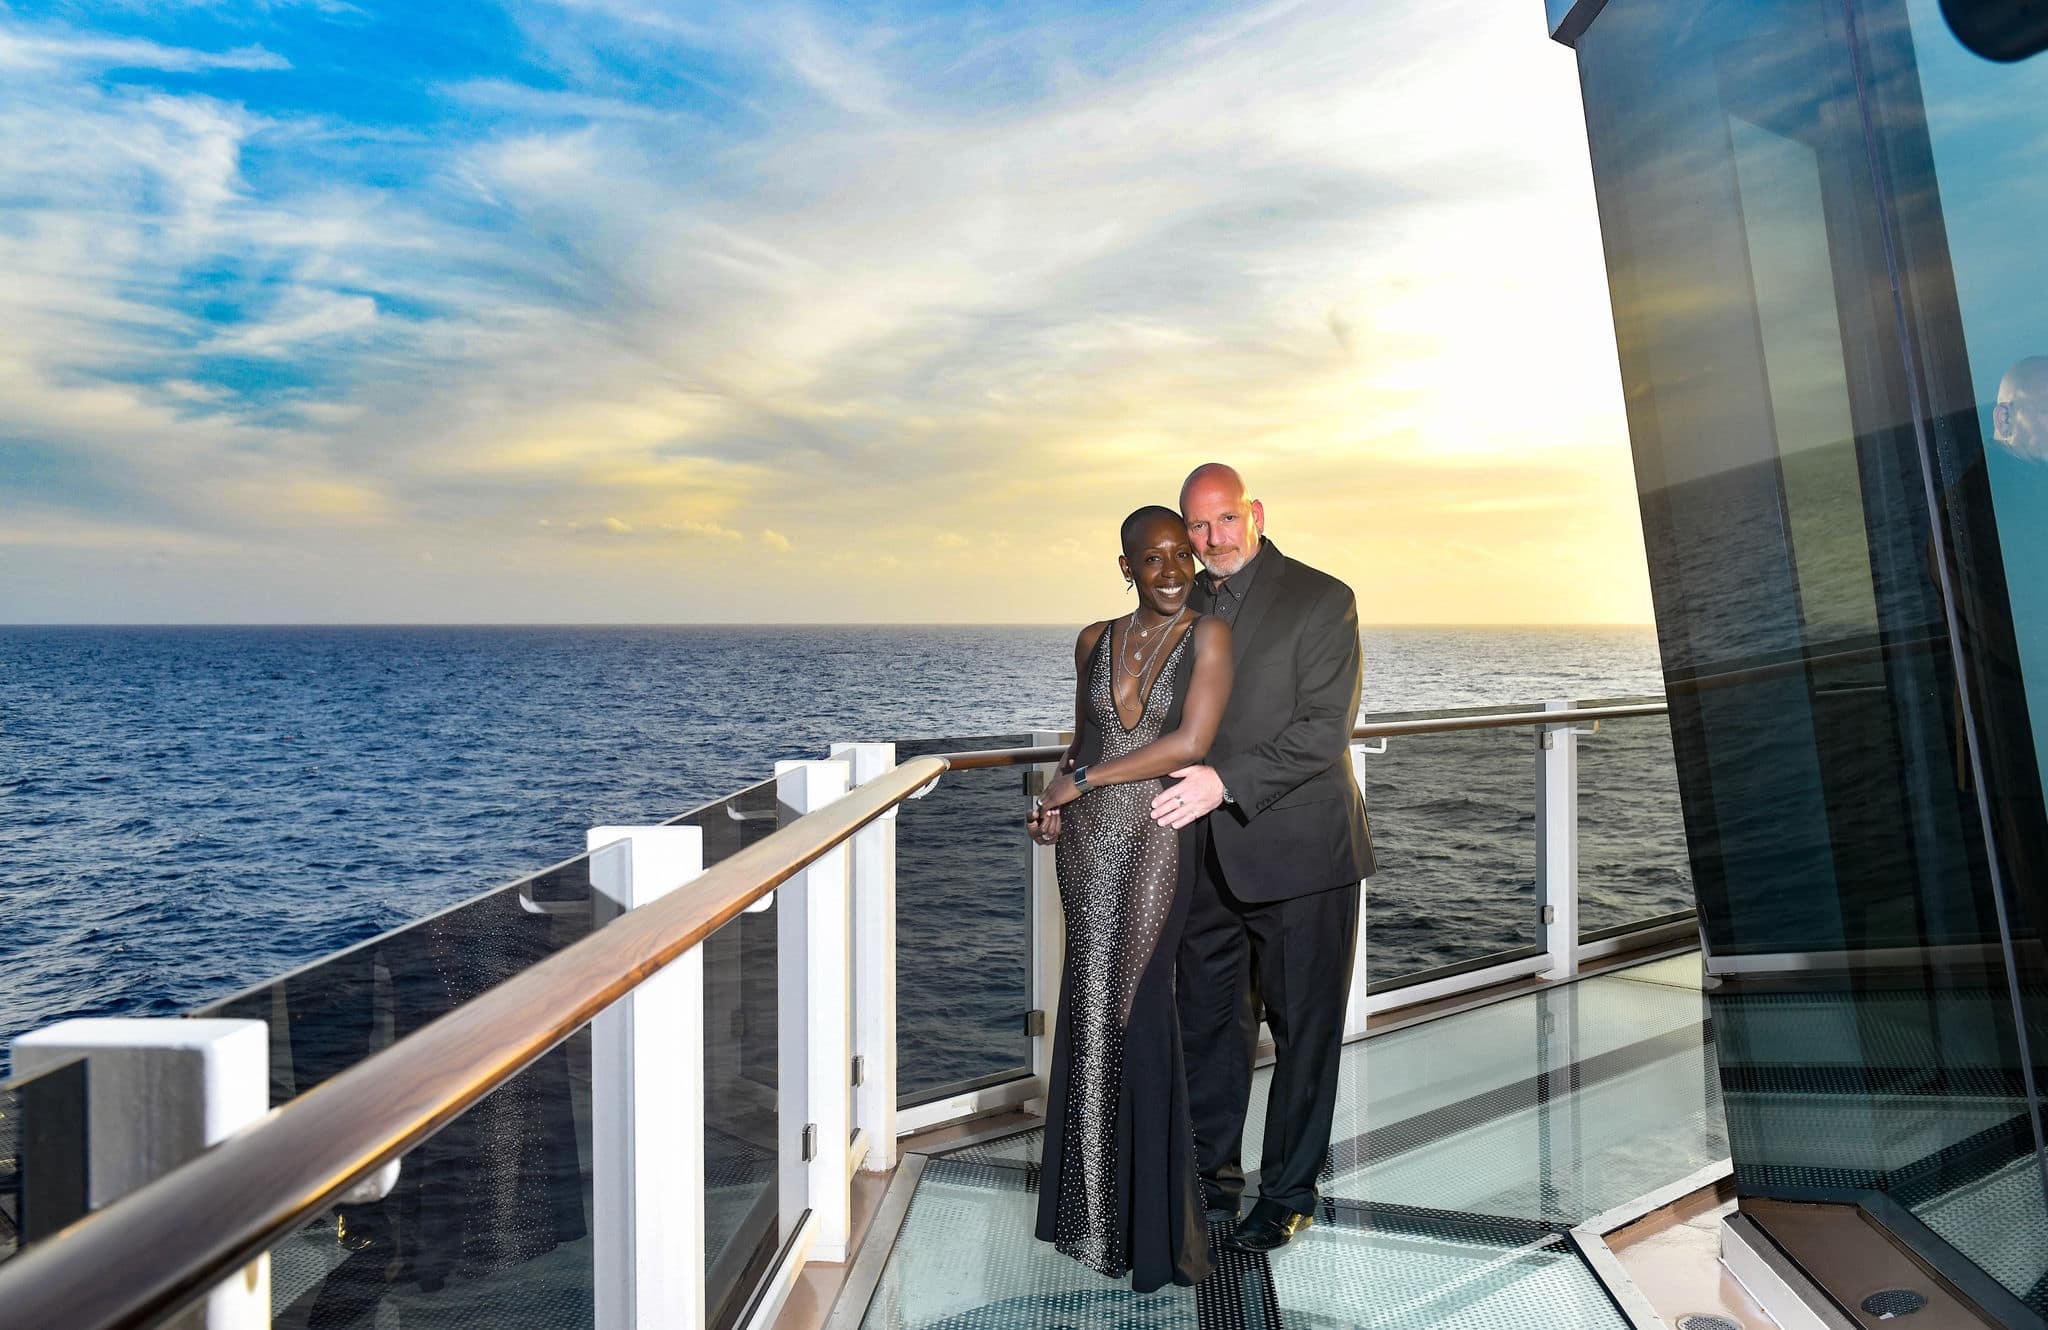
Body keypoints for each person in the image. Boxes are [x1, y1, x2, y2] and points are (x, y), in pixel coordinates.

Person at [1152, 462, 1375, 1253]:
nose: (1212, 540)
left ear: (1254, 512)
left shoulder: (1323, 598)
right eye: (1197, 527)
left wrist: (1224, 783)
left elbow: (1323, 729)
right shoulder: (1182, 604)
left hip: (1302, 853)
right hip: (1204, 857)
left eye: (1224, 520)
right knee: (1209, 1028)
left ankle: (1288, 1194)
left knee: (1303, 1031)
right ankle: (1213, 1183)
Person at [1027, 505, 1234, 1292]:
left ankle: (1158, 1235)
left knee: (1137, 1013)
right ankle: (1090, 1222)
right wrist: (1056, 801)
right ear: (1127, 567)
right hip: (1085, 844)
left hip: (1153, 835)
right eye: (1154, 560)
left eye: (1183, 554)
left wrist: (1082, 780)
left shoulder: (1209, 636)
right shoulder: (1093, 640)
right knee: (1087, 1009)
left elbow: (1190, 744)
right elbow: (1084, 739)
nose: (1175, 570)